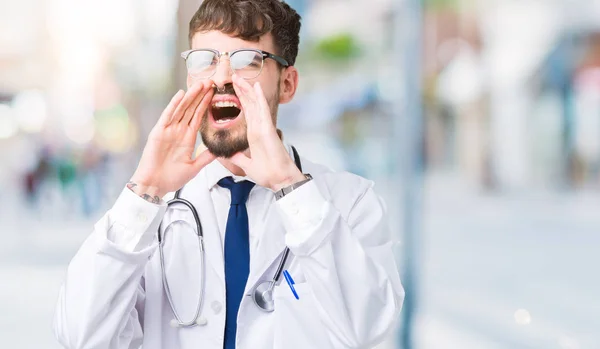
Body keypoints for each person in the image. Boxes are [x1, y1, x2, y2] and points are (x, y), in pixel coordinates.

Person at [53, 1, 404, 348]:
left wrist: (290, 187)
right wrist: (144, 190)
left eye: (247, 61)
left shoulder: (351, 201)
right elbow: (82, 338)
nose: (221, 78)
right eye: (205, 60)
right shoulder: (150, 211)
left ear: (287, 84)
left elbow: (369, 330)